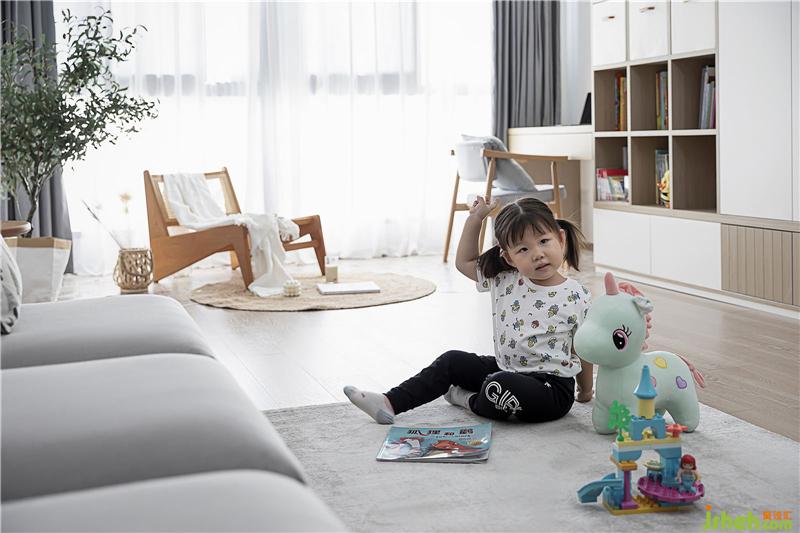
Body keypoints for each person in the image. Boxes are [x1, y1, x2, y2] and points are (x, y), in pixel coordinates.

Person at [344, 197, 594, 425]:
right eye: (523, 249)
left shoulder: (576, 295)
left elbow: (583, 349)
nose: (537, 254)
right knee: (452, 361)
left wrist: (584, 390)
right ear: (509, 258)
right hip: (506, 368)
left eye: (543, 241)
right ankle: (389, 402)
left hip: (551, 388)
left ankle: (467, 399)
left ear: (561, 239)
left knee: (498, 385)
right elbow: (464, 262)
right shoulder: (504, 279)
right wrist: (476, 219)